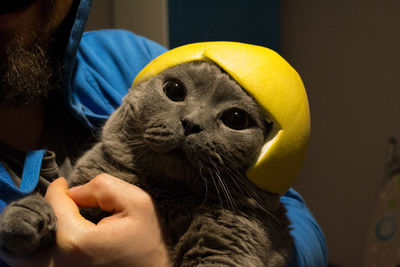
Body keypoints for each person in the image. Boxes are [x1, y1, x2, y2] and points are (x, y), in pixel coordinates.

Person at [0, 0, 328, 266]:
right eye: (174, 91)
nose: (192, 121)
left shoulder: (127, 56)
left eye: (236, 119)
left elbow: (296, 220)